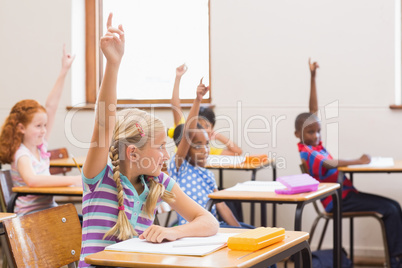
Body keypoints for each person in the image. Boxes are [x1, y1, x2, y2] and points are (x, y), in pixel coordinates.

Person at [78, 13, 219, 268]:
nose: (166, 156)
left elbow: (208, 221)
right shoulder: (100, 177)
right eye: (159, 148)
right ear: (133, 153)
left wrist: (175, 232)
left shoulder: (157, 182)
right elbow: (104, 123)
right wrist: (113, 64)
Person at [295, 58, 402, 267]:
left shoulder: (314, 144)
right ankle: (396, 261)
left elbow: (313, 111)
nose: (316, 135)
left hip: (347, 194)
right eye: (311, 132)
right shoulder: (306, 151)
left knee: (393, 206)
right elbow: (329, 163)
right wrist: (358, 161)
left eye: (318, 131)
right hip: (336, 200)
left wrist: (313, 77)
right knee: (391, 209)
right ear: (298, 134)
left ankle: (396, 258)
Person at [0, 45, 81, 216]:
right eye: (38, 126)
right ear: (21, 128)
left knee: (83, 222)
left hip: (48, 211)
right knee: (80, 224)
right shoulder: (22, 155)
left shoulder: (40, 146)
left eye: (45, 125)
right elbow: (33, 180)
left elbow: (51, 107)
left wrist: (64, 71)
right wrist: (74, 180)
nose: (44, 130)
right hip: (31, 218)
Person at [168, 78, 253, 229]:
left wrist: (241, 233)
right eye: (197, 145)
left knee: (251, 230)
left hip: (214, 228)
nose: (205, 150)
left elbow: (222, 207)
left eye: (206, 144)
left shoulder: (207, 175)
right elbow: (188, 132)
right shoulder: (179, 166)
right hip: (193, 230)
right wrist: (198, 99)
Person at [168, 64, 242, 156]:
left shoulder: (206, 149)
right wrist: (178, 77)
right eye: (198, 124)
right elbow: (175, 104)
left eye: (206, 126)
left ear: (211, 130)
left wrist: (218, 136)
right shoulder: (184, 132)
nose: (201, 129)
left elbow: (237, 152)